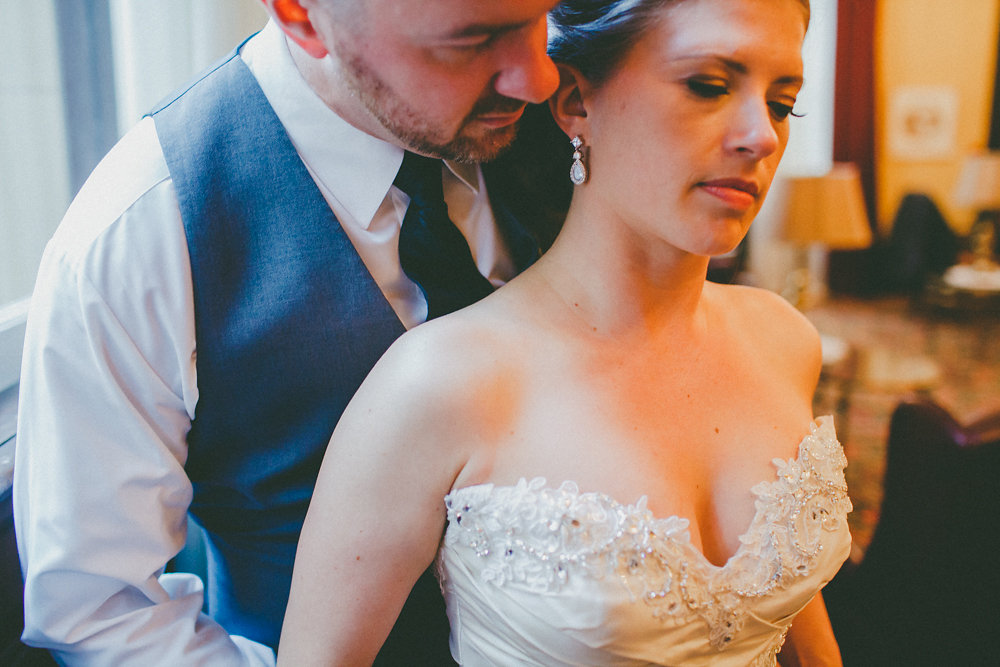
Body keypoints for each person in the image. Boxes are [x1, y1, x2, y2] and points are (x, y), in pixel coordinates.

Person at [278, 0, 853, 664]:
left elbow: (794, 621)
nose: (763, 137)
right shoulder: (439, 384)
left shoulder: (784, 341)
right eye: (708, 85)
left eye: (783, 105)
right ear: (577, 100)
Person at [13, 0, 563, 664]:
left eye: (541, 14)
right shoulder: (137, 235)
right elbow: (103, 613)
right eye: (470, 41)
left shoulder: (584, 113)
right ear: (300, 14)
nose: (540, 78)